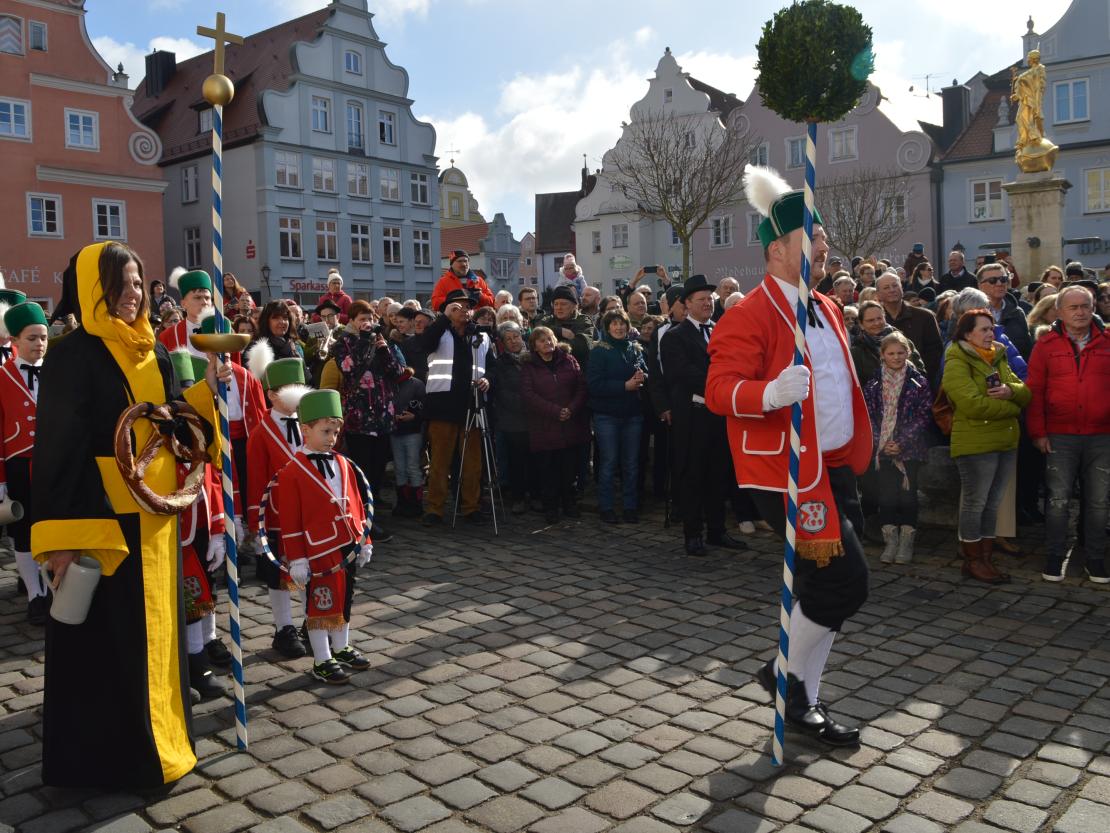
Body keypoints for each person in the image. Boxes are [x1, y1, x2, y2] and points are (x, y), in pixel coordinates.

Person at [33, 240, 227, 789]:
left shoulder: (155, 352)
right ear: (95, 289)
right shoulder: (73, 356)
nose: (132, 293)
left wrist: (208, 392)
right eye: (120, 284)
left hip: (159, 519)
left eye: (139, 282)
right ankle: (111, 760)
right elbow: (58, 452)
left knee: (158, 635)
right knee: (109, 643)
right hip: (104, 525)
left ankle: (165, 741)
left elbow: (171, 421)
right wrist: (65, 543)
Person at [706, 165, 872, 748]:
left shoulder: (826, 307)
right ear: (778, 250)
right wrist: (769, 393)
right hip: (788, 474)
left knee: (820, 593)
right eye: (815, 240)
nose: (826, 248)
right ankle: (782, 674)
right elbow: (721, 389)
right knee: (844, 584)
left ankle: (802, 698)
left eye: (824, 240)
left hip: (835, 465)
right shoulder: (746, 314)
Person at [274, 390, 373, 684]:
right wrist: (297, 559)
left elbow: (356, 501)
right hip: (316, 550)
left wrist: (364, 540)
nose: (332, 437)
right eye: (325, 431)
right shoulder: (292, 472)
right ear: (305, 430)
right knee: (320, 602)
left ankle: (341, 647)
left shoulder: (343, 463)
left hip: (346, 543)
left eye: (335, 431)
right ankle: (321, 658)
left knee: (344, 599)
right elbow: (289, 519)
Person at [1027, 285, 1110, 582]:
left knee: (1099, 500)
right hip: (1059, 434)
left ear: (1094, 309)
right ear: (1060, 311)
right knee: (1058, 499)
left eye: (1085, 306)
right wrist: (1038, 432)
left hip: (1102, 435)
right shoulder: (1046, 345)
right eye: (1073, 307)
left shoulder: (1107, 342)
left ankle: (1096, 558)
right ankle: (1054, 555)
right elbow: (1034, 392)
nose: (1080, 312)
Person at [943, 309, 1031, 584]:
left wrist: (1011, 392)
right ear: (967, 333)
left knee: (992, 504)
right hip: (975, 442)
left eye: (991, 329)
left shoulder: (999, 355)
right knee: (975, 502)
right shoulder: (957, 360)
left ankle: (986, 557)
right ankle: (973, 559)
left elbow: (1024, 390)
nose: (989, 334)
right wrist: (1011, 407)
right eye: (983, 329)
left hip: (1005, 440)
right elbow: (970, 404)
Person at [661, 275, 743, 554]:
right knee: (693, 475)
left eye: (710, 299)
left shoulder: (721, 329)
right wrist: (722, 383)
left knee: (719, 475)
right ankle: (693, 534)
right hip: (694, 416)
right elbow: (682, 374)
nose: (708, 303)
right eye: (701, 299)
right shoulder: (674, 336)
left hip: (719, 415)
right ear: (686, 304)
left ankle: (717, 531)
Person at [245, 349, 312, 658]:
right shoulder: (260, 434)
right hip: (275, 517)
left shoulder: (312, 425)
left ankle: (312, 622)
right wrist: (256, 524)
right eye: (290, 391)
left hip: (310, 516)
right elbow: (256, 481)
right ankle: (283, 627)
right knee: (279, 576)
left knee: (311, 569)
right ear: (271, 395)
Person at [332, 300, 408, 541]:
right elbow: (350, 370)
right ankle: (360, 519)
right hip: (359, 418)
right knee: (361, 469)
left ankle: (372, 517)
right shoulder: (343, 343)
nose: (367, 323)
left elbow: (398, 373)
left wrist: (384, 348)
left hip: (383, 416)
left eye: (370, 318)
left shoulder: (381, 340)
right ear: (352, 321)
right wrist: (365, 342)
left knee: (377, 471)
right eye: (361, 319)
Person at [417, 290, 491, 523]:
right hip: (443, 405)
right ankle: (434, 509)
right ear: (448, 309)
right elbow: (423, 345)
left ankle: (471, 507)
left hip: (473, 404)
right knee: (440, 461)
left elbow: (493, 367)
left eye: (467, 307)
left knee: (472, 462)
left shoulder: (481, 336)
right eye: (457, 307)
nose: (463, 311)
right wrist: (443, 318)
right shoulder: (438, 332)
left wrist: (489, 380)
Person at [862, 331, 934, 564]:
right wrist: (882, 443)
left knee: (908, 496)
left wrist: (901, 442)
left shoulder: (918, 383)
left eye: (900, 352)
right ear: (882, 355)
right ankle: (890, 540)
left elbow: (923, 417)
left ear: (908, 353)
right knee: (887, 496)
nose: (896, 357)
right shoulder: (873, 384)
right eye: (891, 353)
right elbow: (869, 416)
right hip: (881, 449)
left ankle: (906, 541)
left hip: (909, 450)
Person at [0, 302, 49, 623]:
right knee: (23, 531)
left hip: (54, 462)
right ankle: (35, 594)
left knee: (53, 526)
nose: (39, 344)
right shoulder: (2, 377)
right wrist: (1, 480)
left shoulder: (58, 372)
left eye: (43, 337)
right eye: (32, 338)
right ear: (14, 341)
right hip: (18, 464)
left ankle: (56, 587)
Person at [520, 326, 589, 523]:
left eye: (550, 339)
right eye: (542, 341)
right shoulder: (529, 366)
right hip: (544, 426)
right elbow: (528, 395)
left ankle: (569, 503)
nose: (547, 343)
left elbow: (581, 387)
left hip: (570, 425)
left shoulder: (569, 360)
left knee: (569, 469)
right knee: (548, 470)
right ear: (534, 345)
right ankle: (551, 507)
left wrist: (571, 409)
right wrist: (554, 411)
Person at [588, 309, 648, 524]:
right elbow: (594, 385)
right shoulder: (599, 351)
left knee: (631, 464)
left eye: (622, 323)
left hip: (632, 414)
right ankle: (607, 507)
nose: (619, 327)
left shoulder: (634, 347)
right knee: (609, 462)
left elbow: (645, 370)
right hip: (607, 416)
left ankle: (630, 507)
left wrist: (642, 376)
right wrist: (624, 386)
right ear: (607, 327)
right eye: (614, 324)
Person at [490, 322, 532, 514]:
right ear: (503, 343)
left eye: (516, 336)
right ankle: (518, 497)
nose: (514, 341)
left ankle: (538, 495)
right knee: (517, 462)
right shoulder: (500, 363)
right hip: (514, 421)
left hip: (538, 419)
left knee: (539, 459)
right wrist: (530, 403)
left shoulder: (534, 358)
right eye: (509, 338)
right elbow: (503, 393)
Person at [876, 272, 943, 389]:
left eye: (895, 285)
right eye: (886, 287)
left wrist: (919, 377)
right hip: (884, 387)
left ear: (902, 288)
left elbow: (935, 353)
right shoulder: (875, 321)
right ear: (878, 295)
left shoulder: (925, 317)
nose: (892, 290)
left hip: (919, 385)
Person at [851, 300, 923, 384]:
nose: (877, 323)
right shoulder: (856, 352)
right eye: (871, 320)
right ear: (861, 324)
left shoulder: (903, 341)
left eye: (879, 318)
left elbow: (920, 370)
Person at [977, 262, 1032, 359]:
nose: (1000, 284)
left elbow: (1027, 350)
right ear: (980, 285)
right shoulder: (969, 312)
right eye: (992, 280)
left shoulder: (1018, 313)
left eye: (1003, 279)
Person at [159, 268, 214, 357]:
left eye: (207, 298)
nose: (204, 302)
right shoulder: (168, 336)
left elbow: (239, 368)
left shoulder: (224, 330)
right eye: (197, 298)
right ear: (184, 304)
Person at [536, 286, 595, 369]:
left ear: (574, 306)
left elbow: (582, 345)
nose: (559, 307)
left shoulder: (583, 320)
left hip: (577, 369)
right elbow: (537, 332)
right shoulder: (548, 320)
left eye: (563, 304)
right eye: (556, 304)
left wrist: (550, 348)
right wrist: (560, 331)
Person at [431, 250, 495, 312]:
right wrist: (455, 299)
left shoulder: (479, 280)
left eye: (466, 261)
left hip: (476, 321)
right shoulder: (443, 282)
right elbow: (435, 304)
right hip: (453, 321)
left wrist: (481, 296)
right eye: (460, 261)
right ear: (452, 264)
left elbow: (492, 302)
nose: (464, 264)